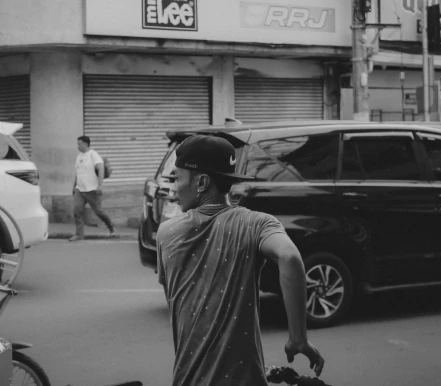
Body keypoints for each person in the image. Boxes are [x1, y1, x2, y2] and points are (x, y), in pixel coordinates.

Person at [156, 135, 324, 386]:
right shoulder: (258, 223)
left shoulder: (167, 233)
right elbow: (289, 257)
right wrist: (298, 338)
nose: (173, 188)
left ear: (201, 182)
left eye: (177, 178)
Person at [69, 136, 115, 241]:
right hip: (80, 189)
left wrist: (100, 185)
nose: (78, 146)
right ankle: (79, 234)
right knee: (77, 211)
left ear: (85, 144)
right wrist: (74, 186)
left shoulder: (93, 155)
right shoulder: (79, 156)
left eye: (79, 144)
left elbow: (101, 168)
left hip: (92, 190)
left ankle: (111, 228)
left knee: (99, 212)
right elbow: (78, 173)